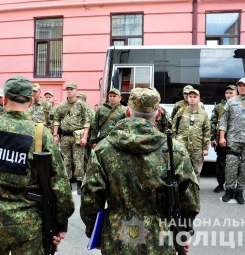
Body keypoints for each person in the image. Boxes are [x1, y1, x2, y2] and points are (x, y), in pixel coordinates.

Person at [0, 76, 74, 254]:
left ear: (4, 99)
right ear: (30, 102)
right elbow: (60, 185)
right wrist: (59, 223)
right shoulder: (40, 134)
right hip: (29, 227)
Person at [80, 87, 200, 254]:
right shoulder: (175, 150)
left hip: (117, 237)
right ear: (158, 114)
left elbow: (90, 196)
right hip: (161, 238)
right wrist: (184, 232)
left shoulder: (103, 149)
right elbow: (190, 200)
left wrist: (94, 231)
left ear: (127, 112)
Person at [53, 82, 90, 195]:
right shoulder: (62, 105)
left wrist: (85, 137)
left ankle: (79, 183)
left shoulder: (81, 105)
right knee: (66, 160)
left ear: (76, 90)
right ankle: (68, 182)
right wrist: (55, 135)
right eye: (67, 89)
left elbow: (86, 121)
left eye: (71, 89)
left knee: (78, 160)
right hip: (65, 137)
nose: (69, 91)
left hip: (77, 137)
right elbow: (56, 120)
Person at [173, 89, 210, 182]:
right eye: (190, 97)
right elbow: (174, 128)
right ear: (187, 98)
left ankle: (195, 189)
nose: (192, 99)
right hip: (182, 146)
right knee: (181, 169)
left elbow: (206, 131)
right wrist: (173, 144)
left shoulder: (203, 113)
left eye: (194, 97)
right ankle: (182, 192)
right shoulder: (181, 111)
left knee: (196, 170)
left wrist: (205, 148)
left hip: (197, 147)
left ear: (199, 99)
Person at [210, 85, 238, 193]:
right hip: (222, 140)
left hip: (236, 141)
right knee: (220, 163)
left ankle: (232, 186)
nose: (228, 95)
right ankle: (220, 184)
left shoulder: (240, 106)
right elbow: (212, 122)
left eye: (231, 92)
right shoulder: (219, 107)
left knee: (234, 164)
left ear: (236, 94)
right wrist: (213, 138)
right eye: (227, 93)